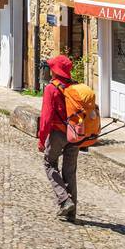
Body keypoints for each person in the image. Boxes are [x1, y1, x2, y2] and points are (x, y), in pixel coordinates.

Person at [39, 54, 79, 221]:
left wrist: (42, 139)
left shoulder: (52, 88)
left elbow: (46, 117)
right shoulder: (75, 87)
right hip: (75, 134)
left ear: (54, 70)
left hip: (58, 133)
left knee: (49, 163)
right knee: (69, 170)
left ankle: (64, 200)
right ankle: (71, 210)